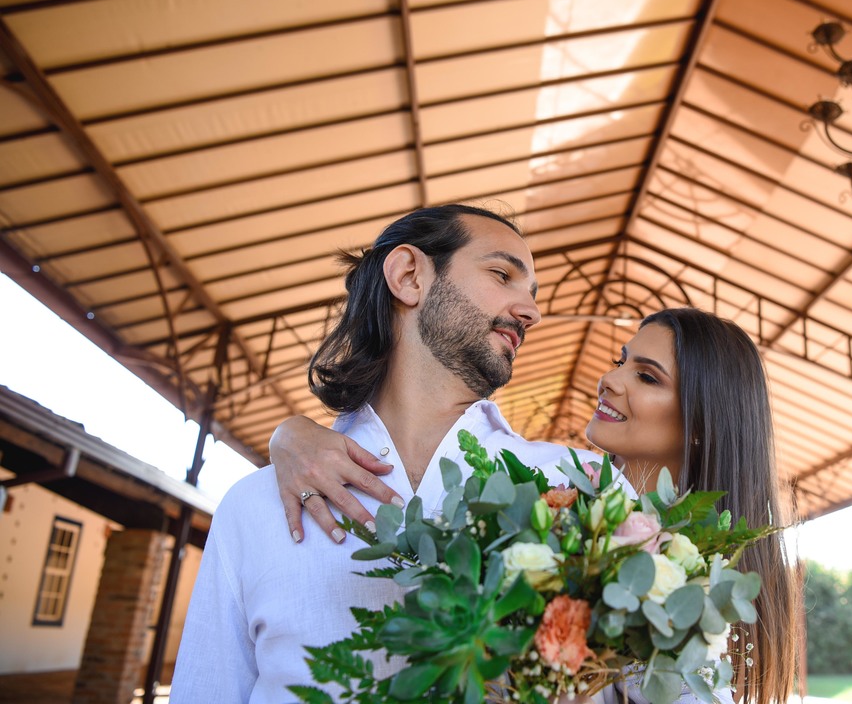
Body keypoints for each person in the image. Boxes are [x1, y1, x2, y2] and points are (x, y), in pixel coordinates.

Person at [172, 204, 617, 703]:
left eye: (531, 293)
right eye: (502, 274)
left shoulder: (583, 486)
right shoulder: (255, 506)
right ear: (409, 277)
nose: (532, 312)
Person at [271, 308, 801, 703]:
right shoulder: (558, 491)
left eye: (646, 376)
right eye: (621, 361)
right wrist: (291, 434)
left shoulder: (700, 584)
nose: (610, 379)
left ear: (704, 424)